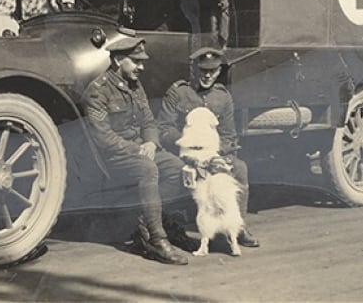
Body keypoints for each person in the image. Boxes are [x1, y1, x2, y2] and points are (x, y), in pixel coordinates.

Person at [82, 31, 190, 265]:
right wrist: (137, 149)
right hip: (113, 156)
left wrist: (151, 142)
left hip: (140, 151)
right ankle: (157, 239)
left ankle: (153, 223)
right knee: (148, 169)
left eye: (142, 62)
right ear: (118, 60)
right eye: (136, 61)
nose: (141, 67)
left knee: (176, 167)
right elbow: (103, 138)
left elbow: (149, 122)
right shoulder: (97, 90)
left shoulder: (135, 86)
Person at [157, 47, 260, 248]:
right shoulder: (179, 92)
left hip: (213, 154)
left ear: (219, 71)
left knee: (239, 168)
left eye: (212, 71)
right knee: (176, 171)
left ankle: (237, 227)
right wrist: (191, 147)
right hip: (183, 153)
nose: (207, 75)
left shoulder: (223, 97)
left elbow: (229, 134)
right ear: (194, 69)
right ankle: (165, 225)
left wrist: (217, 156)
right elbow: (164, 129)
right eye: (202, 70)